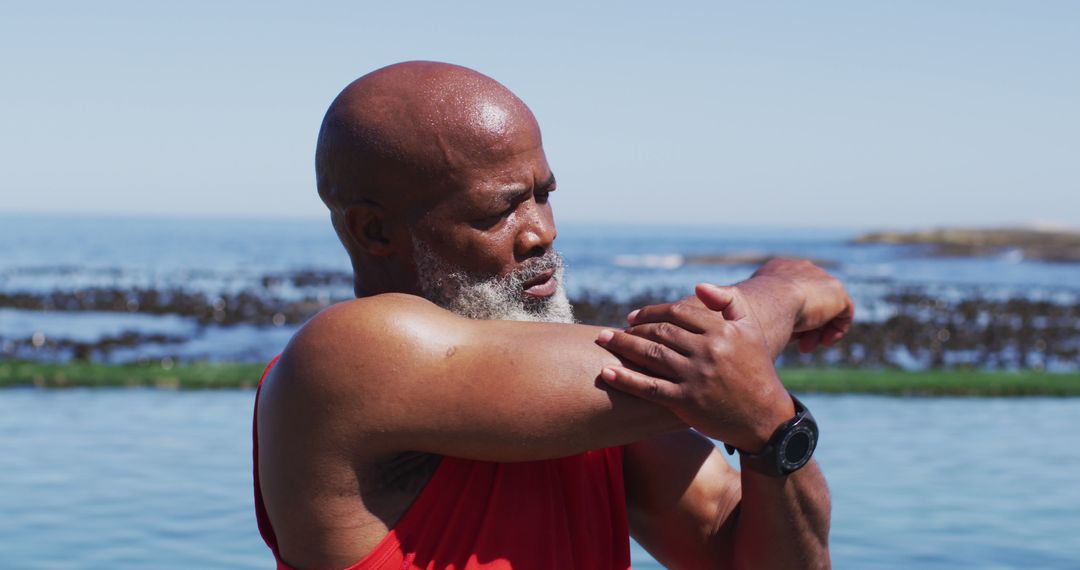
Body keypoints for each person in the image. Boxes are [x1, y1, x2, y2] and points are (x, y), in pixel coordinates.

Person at [254, 61, 854, 570]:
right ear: (374, 229)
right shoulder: (345, 355)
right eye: (501, 209)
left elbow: (737, 537)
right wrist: (789, 287)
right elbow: (699, 363)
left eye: (543, 193)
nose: (543, 231)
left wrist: (777, 439)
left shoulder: (575, 399)